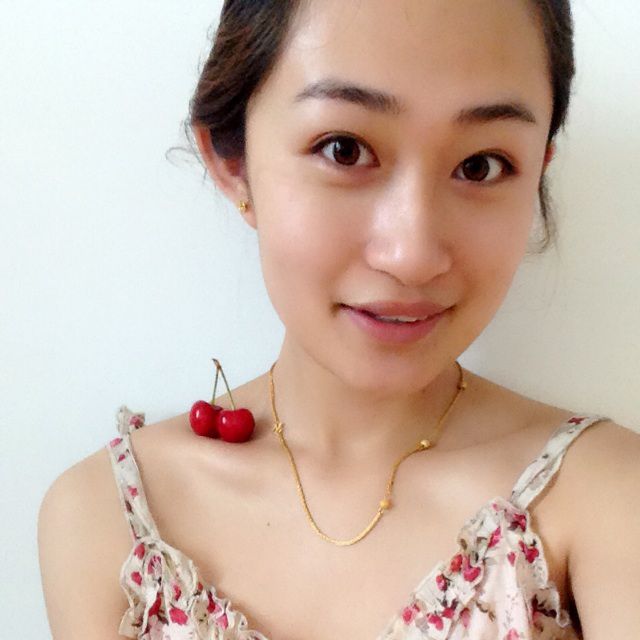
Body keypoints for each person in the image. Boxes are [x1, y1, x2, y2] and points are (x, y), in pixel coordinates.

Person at [38, 1, 640, 638]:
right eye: (344, 150)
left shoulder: (604, 499)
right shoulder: (109, 520)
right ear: (233, 163)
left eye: (481, 165)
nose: (411, 255)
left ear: (538, 169)